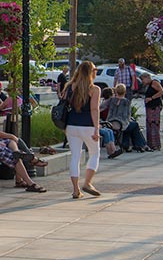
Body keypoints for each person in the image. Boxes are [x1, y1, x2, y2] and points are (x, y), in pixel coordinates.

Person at [0, 95, 47, 192]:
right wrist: (0, 141)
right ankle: (30, 183)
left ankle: (19, 177)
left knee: (14, 145)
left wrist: (2, 140)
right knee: (14, 154)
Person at [63, 60, 101, 198]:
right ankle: (88, 183)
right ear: (91, 72)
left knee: (75, 156)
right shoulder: (94, 89)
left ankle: (75, 190)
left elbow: (64, 104)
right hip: (88, 126)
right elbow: (94, 109)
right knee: (95, 153)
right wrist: (97, 129)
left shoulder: (70, 87)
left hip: (71, 125)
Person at [106, 84, 151, 152]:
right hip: (120, 123)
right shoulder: (126, 101)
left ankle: (128, 145)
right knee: (134, 125)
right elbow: (127, 115)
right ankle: (141, 145)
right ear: (124, 92)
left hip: (110, 122)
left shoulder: (111, 100)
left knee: (131, 127)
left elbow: (101, 107)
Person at [141, 71, 163, 150]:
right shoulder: (147, 85)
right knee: (149, 124)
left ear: (147, 78)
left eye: (143, 79)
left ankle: (156, 144)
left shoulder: (154, 83)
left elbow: (161, 91)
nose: (142, 81)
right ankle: (150, 143)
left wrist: (151, 98)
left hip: (155, 106)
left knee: (154, 124)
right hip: (149, 106)